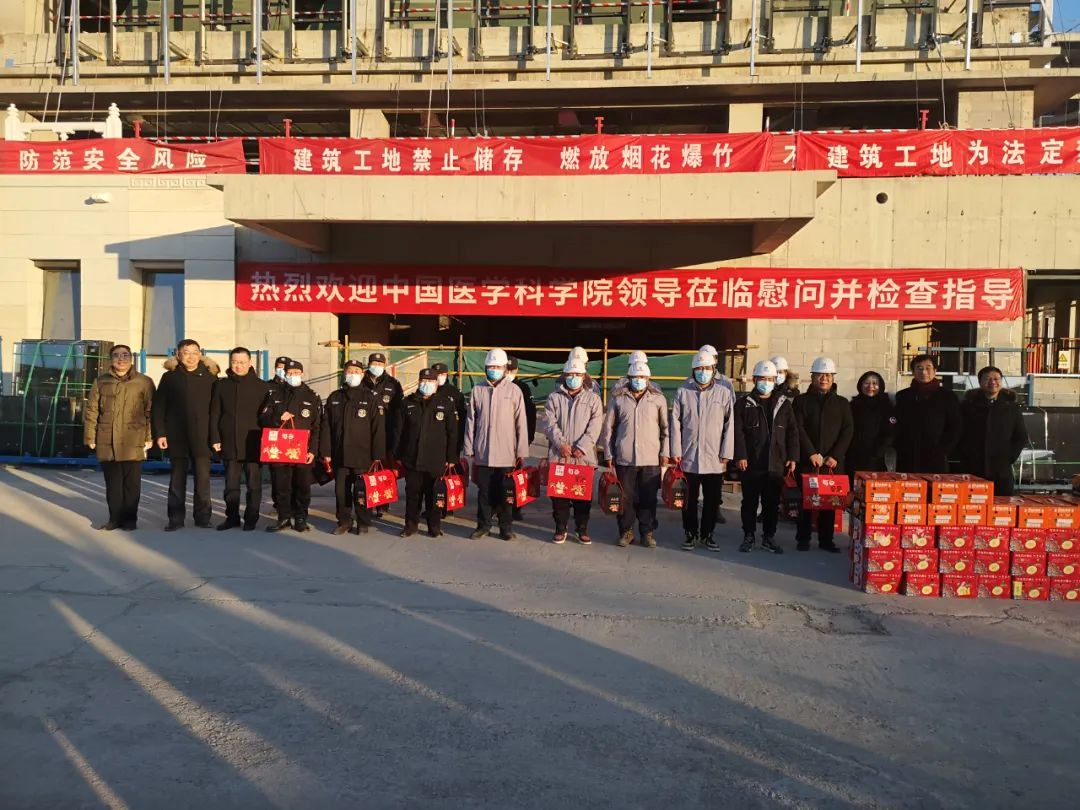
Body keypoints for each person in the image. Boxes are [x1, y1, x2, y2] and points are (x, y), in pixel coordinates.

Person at [83, 344, 155, 531]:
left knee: (132, 484)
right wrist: (90, 437)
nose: (121, 359)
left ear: (131, 358)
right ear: (111, 359)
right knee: (113, 484)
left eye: (125, 355)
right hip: (107, 438)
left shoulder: (144, 382)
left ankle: (130, 520)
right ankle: (114, 519)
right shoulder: (101, 381)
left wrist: (149, 437)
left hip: (134, 438)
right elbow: (92, 410)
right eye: (116, 355)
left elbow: (150, 411)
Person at [671, 350, 735, 552]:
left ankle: (708, 534)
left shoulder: (723, 392)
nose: (703, 372)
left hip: (714, 458)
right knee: (688, 500)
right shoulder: (683, 392)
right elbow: (675, 423)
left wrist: (727, 452)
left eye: (707, 368)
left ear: (713, 369)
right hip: (689, 455)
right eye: (699, 368)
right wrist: (675, 449)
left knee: (712, 500)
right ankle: (690, 533)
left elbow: (730, 425)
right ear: (693, 370)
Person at [462, 348, 529, 541]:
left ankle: (505, 527)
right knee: (484, 492)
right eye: (491, 367)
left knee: (506, 493)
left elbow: (521, 422)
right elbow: (471, 421)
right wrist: (469, 447)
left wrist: (521, 450)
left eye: (498, 367)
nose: (494, 370)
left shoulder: (514, 391)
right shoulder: (478, 390)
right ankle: (483, 525)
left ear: (505, 368)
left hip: (506, 453)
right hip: (483, 452)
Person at [152, 339, 219, 531]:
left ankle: (203, 517)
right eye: (186, 352)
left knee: (203, 480)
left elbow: (216, 410)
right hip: (177, 436)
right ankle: (175, 519)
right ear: (178, 354)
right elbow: (159, 407)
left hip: (202, 436)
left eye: (195, 352)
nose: (191, 356)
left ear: (200, 354)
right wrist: (160, 433)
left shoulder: (211, 377)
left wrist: (215, 437)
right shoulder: (170, 377)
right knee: (177, 479)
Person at [733, 360, 798, 554]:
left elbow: (792, 432)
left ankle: (769, 537)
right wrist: (741, 455)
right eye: (762, 379)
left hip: (776, 462)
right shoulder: (744, 404)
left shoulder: (783, 404)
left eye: (770, 379)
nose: (766, 382)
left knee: (771, 503)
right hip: (752, 462)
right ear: (754, 380)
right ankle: (749, 535)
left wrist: (793, 457)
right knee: (749, 502)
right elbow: (738, 432)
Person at [601, 360, 668, 548]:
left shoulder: (658, 399)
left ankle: (647, 532)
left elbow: (665, 428)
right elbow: (608, 428)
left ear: (648, 379)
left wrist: (665, 453)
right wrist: (608, 453)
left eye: (642, 377)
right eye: (635, 377)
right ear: (629, 378)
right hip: (625, 457)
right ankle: (626, 531)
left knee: (648, 498)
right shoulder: (618, 399)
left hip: (651, 458)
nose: (639, 380)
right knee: (625, 497)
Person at [793, 357, 853, 553]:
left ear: (833, 378)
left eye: (828, 375)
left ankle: (826, 540)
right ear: (812, 377)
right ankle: (803, 538)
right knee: (806, 502)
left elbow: (847, 430)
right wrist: (810, 453)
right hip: (808, 461)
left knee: (829, 503)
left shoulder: (842, 403)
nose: (824, 379)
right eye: (820, 375)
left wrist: (835, 455)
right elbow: (798, 428)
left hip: (831, 463)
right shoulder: (801, 401)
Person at [320, 359, 385, 535]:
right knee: (341, 491)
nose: (353, 374)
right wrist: (326, 451)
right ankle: (344, 521)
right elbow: (326, 427)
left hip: (363, 454)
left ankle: (363, 522)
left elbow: (378, 428)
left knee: (362, 490)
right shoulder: (335, 397)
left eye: (357, 371)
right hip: (339, 453)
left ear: (362, 374)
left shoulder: (371, 397)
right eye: (350, 371)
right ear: (344, 373)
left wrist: (378, 454)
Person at [210, 347, 271, 531]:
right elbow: (215, 413)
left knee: (254, 485)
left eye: (242, 362)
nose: (238, 366)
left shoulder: (261, 386)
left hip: (254, 442)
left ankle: (251, 518)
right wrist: (215, 437)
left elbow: (267, 416)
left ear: (250, 363)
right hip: (229, 441)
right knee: (231, 485)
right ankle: (232, 518)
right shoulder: (222, 385)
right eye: (235, 362)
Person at [543, 358, 604, 545]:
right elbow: (549, 423)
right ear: (564, 376)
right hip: (560, 455)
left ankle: (581, 529)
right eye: (570, 374)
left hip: (583, 457)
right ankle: (560, 528)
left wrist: (582, 447)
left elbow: (595, 426)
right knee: (559, 495)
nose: (573, 378)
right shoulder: (554, 398)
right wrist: (560, 443)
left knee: (582, 497)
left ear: (584, 376)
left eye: (577, 374)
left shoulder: (593, 399)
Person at [395, 368, 459, 538]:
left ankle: (434, 526)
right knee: (413, 495)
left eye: (430, 381)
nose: (427, 384)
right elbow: (399, 432)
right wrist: (397, 455)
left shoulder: (445, 403)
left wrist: (452, 457)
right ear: (419, 382)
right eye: (424, 380)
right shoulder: (407, 403)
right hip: (412, 458)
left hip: (435, 459)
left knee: (434, 495)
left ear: (436, 384)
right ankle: (410, 526)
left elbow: (452, 433)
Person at [259, 360, 321, 532]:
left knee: (302, 486)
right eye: (289, 373)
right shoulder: (275, 394)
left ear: (302, 374)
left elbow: (317, 427)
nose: (293, 376)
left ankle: (300, 518)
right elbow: (263, 417)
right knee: (281, 486)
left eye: (296, 373)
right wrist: (278, 416)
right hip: (280, 449)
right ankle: (283, 517)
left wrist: (313, 450)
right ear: (285, 375)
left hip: (301, 449)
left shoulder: (311, 396)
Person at [958, 366, 1029, 495]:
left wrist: (1009, 457)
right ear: (980, 382)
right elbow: (958, 432)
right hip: (973, 468)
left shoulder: (1011, 407)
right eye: (987, 379)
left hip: (1001, 470)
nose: (992, 382)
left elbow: (1021, 437)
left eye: (996, 379)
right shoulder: (967, 406)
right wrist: (965, 454)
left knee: (1003, 504)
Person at [894, 354, 961, 474]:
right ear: (913, 372)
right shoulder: (903, 396)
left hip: (936, 456)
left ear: (935, 371)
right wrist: (899, 446)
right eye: (919, 368)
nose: (924, 372)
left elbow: (955, 426)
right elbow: (895, 423)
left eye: (928, 368)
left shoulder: (947, 396)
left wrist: (943, 449)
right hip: (908, 456)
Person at [361, 352, 404, 517]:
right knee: (367, 470)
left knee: (384, 471)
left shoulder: (393, 384)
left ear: (384, 365)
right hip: (364, 433)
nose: (376, 366)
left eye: (380, 363)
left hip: (386, 433)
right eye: (374, 363)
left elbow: (399, 412)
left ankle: (383, 504)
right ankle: (367, 500)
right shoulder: (361, 382)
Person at [847, 370, 895, 483]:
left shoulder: (887, 405)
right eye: (867, 383)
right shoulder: (853, 405)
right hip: (854, 455)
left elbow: (890, 431)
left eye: (875, 383)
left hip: (876, 457)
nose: (870, 387)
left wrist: (879, 450)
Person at [505, 355, 537, 522]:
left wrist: (528, 438)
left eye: (511, 370)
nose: (508, 373)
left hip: (517, 439)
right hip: (500, 440)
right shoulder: (496, 387)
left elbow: (531, 415)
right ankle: (499, 506)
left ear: (516, 370)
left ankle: (516, 507)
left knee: (516, 475)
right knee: (499, 476)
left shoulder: (523, 388)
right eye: (506, 369)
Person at [431, 362, 466, 455]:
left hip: (450, 438)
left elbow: (462, 418)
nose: (439, 377)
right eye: (437, 374)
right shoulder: (428, 392)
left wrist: (460, 441)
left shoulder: (455, 393)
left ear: (447, 375)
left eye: (442, 374)